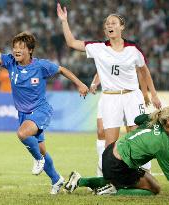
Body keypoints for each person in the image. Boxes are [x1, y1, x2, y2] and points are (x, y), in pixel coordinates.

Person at [0, 20, 89, 194]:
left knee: (22, 133)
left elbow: (62, 69)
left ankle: (37, 160)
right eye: (15, 47)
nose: (16, 50)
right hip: (23, 114)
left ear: (30, 50)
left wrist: (79, 84)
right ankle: (56, 179)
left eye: (21, 47)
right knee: (41, 149)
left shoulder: (41, 66)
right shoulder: (10, 62)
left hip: (41, 111)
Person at [57, 3, 161, 149]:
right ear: (105, 30)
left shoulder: (133, 49)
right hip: (110, 98)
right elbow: (72, 43)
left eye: (113, 23)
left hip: (132, 96)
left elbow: (144, 71)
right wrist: (64, 21)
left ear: (122, 27)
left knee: (137, 139)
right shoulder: (98, 48)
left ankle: (141, 171)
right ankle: (110, 170)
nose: (109, 25)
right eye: (107, 24)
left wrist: (153, 94)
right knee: (110, 143)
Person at [64, 106, 169, 196]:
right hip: (117, 164)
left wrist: (153, 115)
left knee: (152, 183)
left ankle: (79, 180)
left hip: (110, 152)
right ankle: (113, 191)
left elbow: (137, 120)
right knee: (154, 190)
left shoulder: (155, 122)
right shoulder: (162, 144)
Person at [90, 72, 151, 177]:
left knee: (135, 135)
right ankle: (103, 173)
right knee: (101, 132)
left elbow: (142, 71)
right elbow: (101, 69)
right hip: (109, 95)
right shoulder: (104, 55)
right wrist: (94, 84)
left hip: (129, 95)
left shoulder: (134, 55)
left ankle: (144, 171)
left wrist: (146, 93)